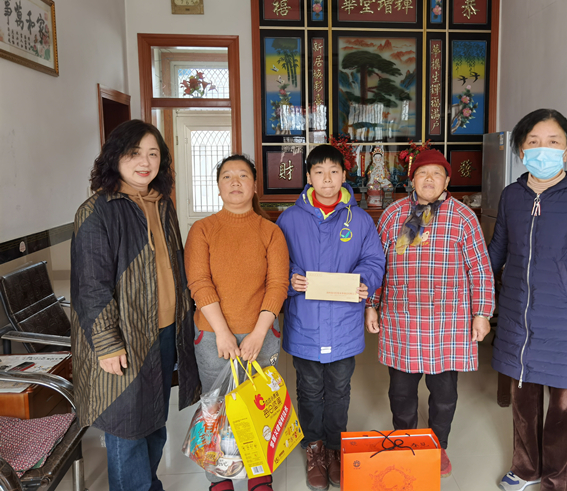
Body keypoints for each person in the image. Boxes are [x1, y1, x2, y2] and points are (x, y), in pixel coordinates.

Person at [70, 119, 201, 491]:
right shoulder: (98, 210)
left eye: (153, 154)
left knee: (154, 422)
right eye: (134, 153)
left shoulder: (162, 204)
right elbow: (90, 287)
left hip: (164, 331)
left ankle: (149, 485)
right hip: (123, 338)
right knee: (127, 428)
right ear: (115, 156)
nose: (145, 162)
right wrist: (107, 344)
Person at [488, 109, 567, 491]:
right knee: (523, 399)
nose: (544, 150)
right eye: (534, 142)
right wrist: (476, 300)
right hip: (518, 316)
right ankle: (526, 469)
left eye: (553, 142)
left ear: (566, 149)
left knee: (565, 406)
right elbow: (496, 252)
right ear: (521, 151)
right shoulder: (512, 196)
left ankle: (557, 479)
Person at [365, 149, 495, 478]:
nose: (429, 179)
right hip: (403, 320)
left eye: (437, 174)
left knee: (445, 394)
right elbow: (378, 267)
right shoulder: (393, 215)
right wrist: (371, 305)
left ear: (447, 181)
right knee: (401, 392)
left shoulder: (463, 217)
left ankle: (437, 445)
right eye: (422, 173)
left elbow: (480, 269)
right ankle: (405, 441)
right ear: (412, 179)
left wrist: (482, 312)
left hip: (447, 323)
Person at [276, 144, 385, 491]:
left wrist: (364, 282)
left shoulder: (360, 220)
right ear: (308, 177)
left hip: (343, 325)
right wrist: (290, 278)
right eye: (319, 172)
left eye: (334, 172)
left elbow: (374, 260)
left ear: (343, 175)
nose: (327, 179)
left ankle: (336, 448)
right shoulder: (289, 220)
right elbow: (275, 262)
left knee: (339, 389)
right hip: (305, 324)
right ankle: (315, 448)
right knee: (309, 390)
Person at [184, 154, 289, 491]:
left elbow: (278, 284)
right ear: (218, 187)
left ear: (254, 185)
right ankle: (219, 478)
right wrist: (223, 333)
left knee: (260, 404)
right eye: (227, 176)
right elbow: (199, 283)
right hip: (213, 336)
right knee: (216, 406)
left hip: (263, 334)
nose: (235, 182)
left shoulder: (271, 231)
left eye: (243, 175)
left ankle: (259, 474)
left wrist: (258, 333)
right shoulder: (202, 230)